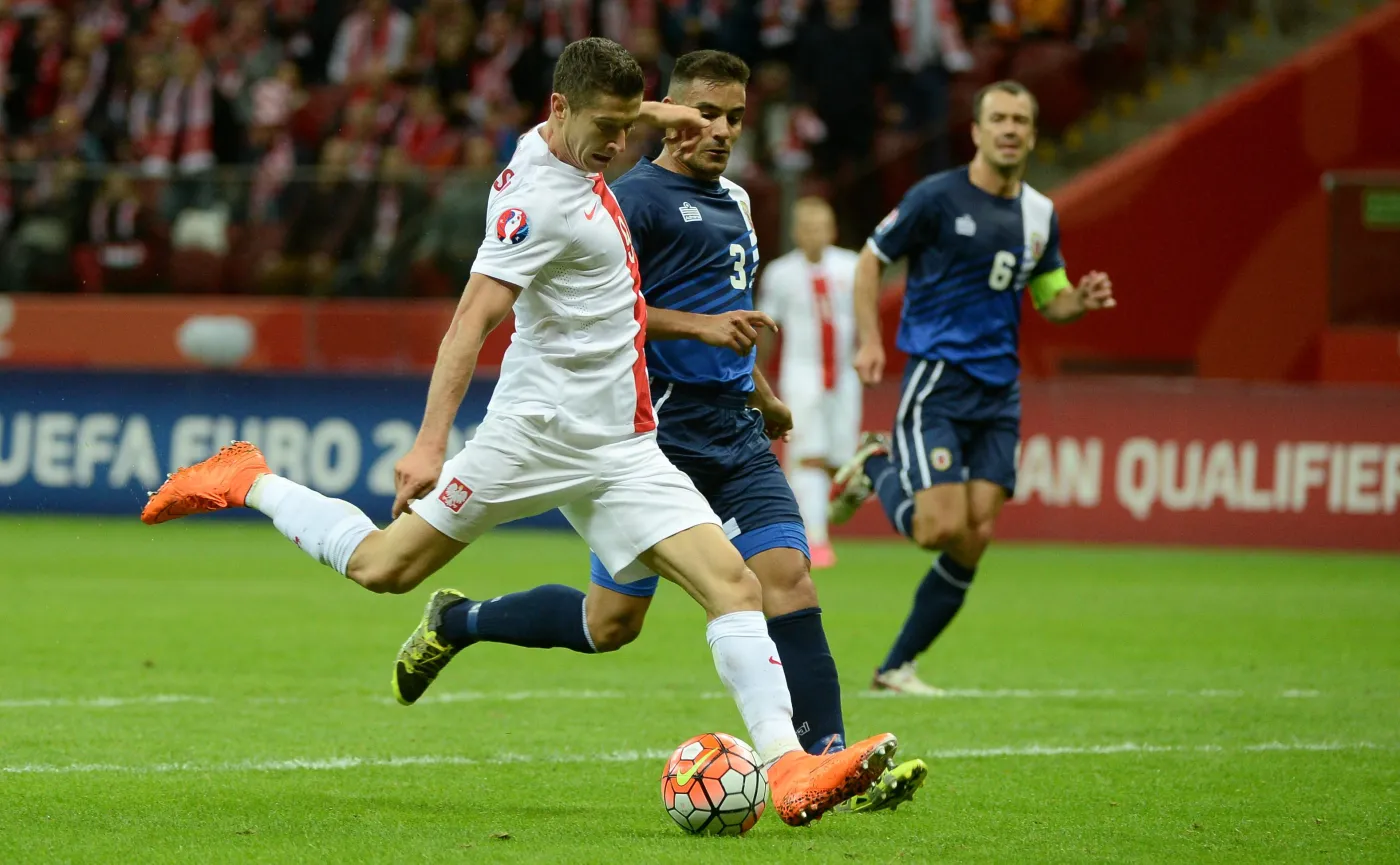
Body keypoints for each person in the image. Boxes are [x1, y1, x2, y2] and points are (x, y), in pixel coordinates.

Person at [140, 37, 897, 827]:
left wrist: (659, 113)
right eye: (606, 128)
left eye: (627, 127)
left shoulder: (570, 139)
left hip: (623, 449)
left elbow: (616, 113)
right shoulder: (536, 204)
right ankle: (248, 477)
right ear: (559, 111)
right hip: (532, 438)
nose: (618, 144)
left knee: (733, 585)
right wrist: (430, 442)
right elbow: (470, 322)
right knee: (383, 566)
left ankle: (788, 768)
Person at [403, 50, 927, 814]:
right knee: (610, 622)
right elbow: (610, 313)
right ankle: (461, 619)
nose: (721, 130)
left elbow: (729, 309)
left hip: (733, 432)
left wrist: (762, 393)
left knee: (788, 578)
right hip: (652, 437)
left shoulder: (738, 202)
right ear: (673, 114)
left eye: (735, 117)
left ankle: (828, 764)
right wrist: (703, 331)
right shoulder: (630, 201)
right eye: (707, 113)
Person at [828, 80, 1116, 695]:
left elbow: (1051, 297)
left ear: (1032, 135)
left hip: (999, 390)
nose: (1010, 129)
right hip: (939, 378)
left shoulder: (1040, 214)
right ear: (977, 131)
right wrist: (871, 340)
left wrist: (1080, 302)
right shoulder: (936, 197)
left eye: (1021, 120)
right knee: (936, 529)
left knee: (975, 532)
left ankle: (895, 667)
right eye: (999, 119)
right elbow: (872, 258)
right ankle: (876, 463)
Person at [756, 196, 862, 569]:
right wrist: (757, 376)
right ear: (796, 233)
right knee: (807, 455)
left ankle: (820, 518)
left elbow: (865, 314)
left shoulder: (852, 267)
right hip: (803, 373)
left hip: (845, 376)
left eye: (820, 227)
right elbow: (767, 328)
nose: (814, 235)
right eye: (807, 228)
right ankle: (814, 537)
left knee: (841, 460)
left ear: (832, 230)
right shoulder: (780, 274)